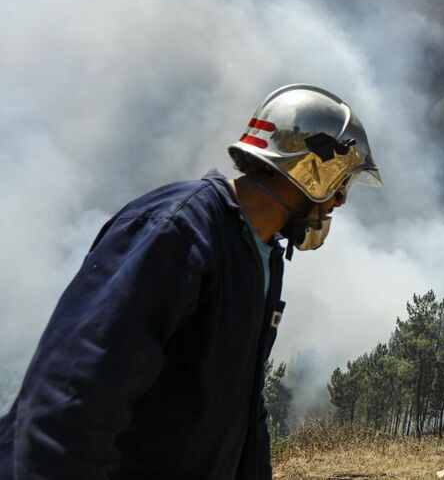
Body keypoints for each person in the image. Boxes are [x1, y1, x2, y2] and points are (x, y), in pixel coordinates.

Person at [0, 84, 381, 479]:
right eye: (341, 185)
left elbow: (242, 406)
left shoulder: (262, 253)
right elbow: (73, 392)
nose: (339, 202)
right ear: (313, 170)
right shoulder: (175, 230)